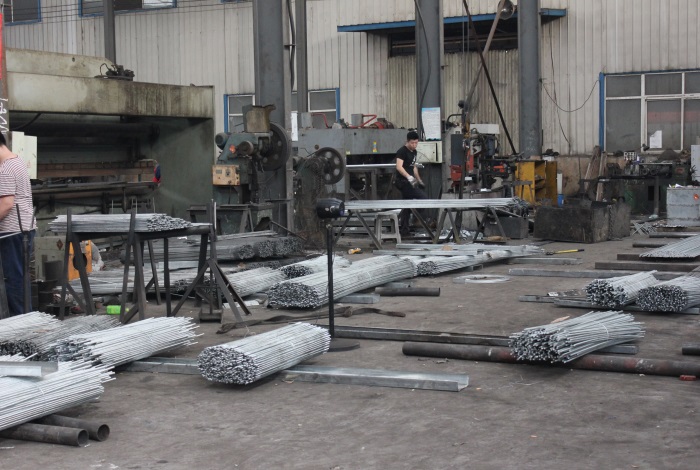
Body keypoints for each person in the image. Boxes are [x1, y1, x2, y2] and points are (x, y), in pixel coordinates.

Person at [0, 133, 35, 316]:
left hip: (12, 232)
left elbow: (6, 204)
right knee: (20, 279)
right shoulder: (17, 161)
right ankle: (25, 320)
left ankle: (21, 324)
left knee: (13, 281)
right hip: (23, 229)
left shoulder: (5, 168)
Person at [394, 130, 428, 235]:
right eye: (412, 143)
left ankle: (404, 230)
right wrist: (408, 177)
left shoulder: (414, 152)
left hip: (410, 181)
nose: (414, 145)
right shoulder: (402, 151)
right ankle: (412, 216)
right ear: (407, 141)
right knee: (423, 198)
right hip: (402, 181)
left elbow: (413, 167)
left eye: (416, 143)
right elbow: (399, 167)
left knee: (406, 204)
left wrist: (419, 180)